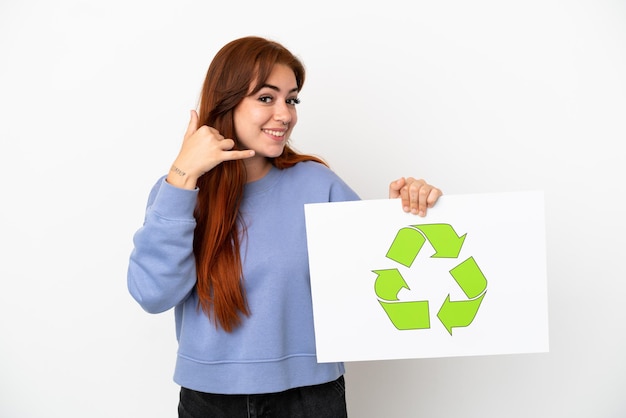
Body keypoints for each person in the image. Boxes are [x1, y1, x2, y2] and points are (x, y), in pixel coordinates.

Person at [127, 36, 442, 417]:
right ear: (227, 102)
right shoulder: (179, 190)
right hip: (209, 401)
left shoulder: (317, 184)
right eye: (266, 98)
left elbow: (376, 277)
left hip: (308, 397)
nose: (285, 114)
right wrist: (183, 175)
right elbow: (152, 294)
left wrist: (405, 213)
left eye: (291, 99)